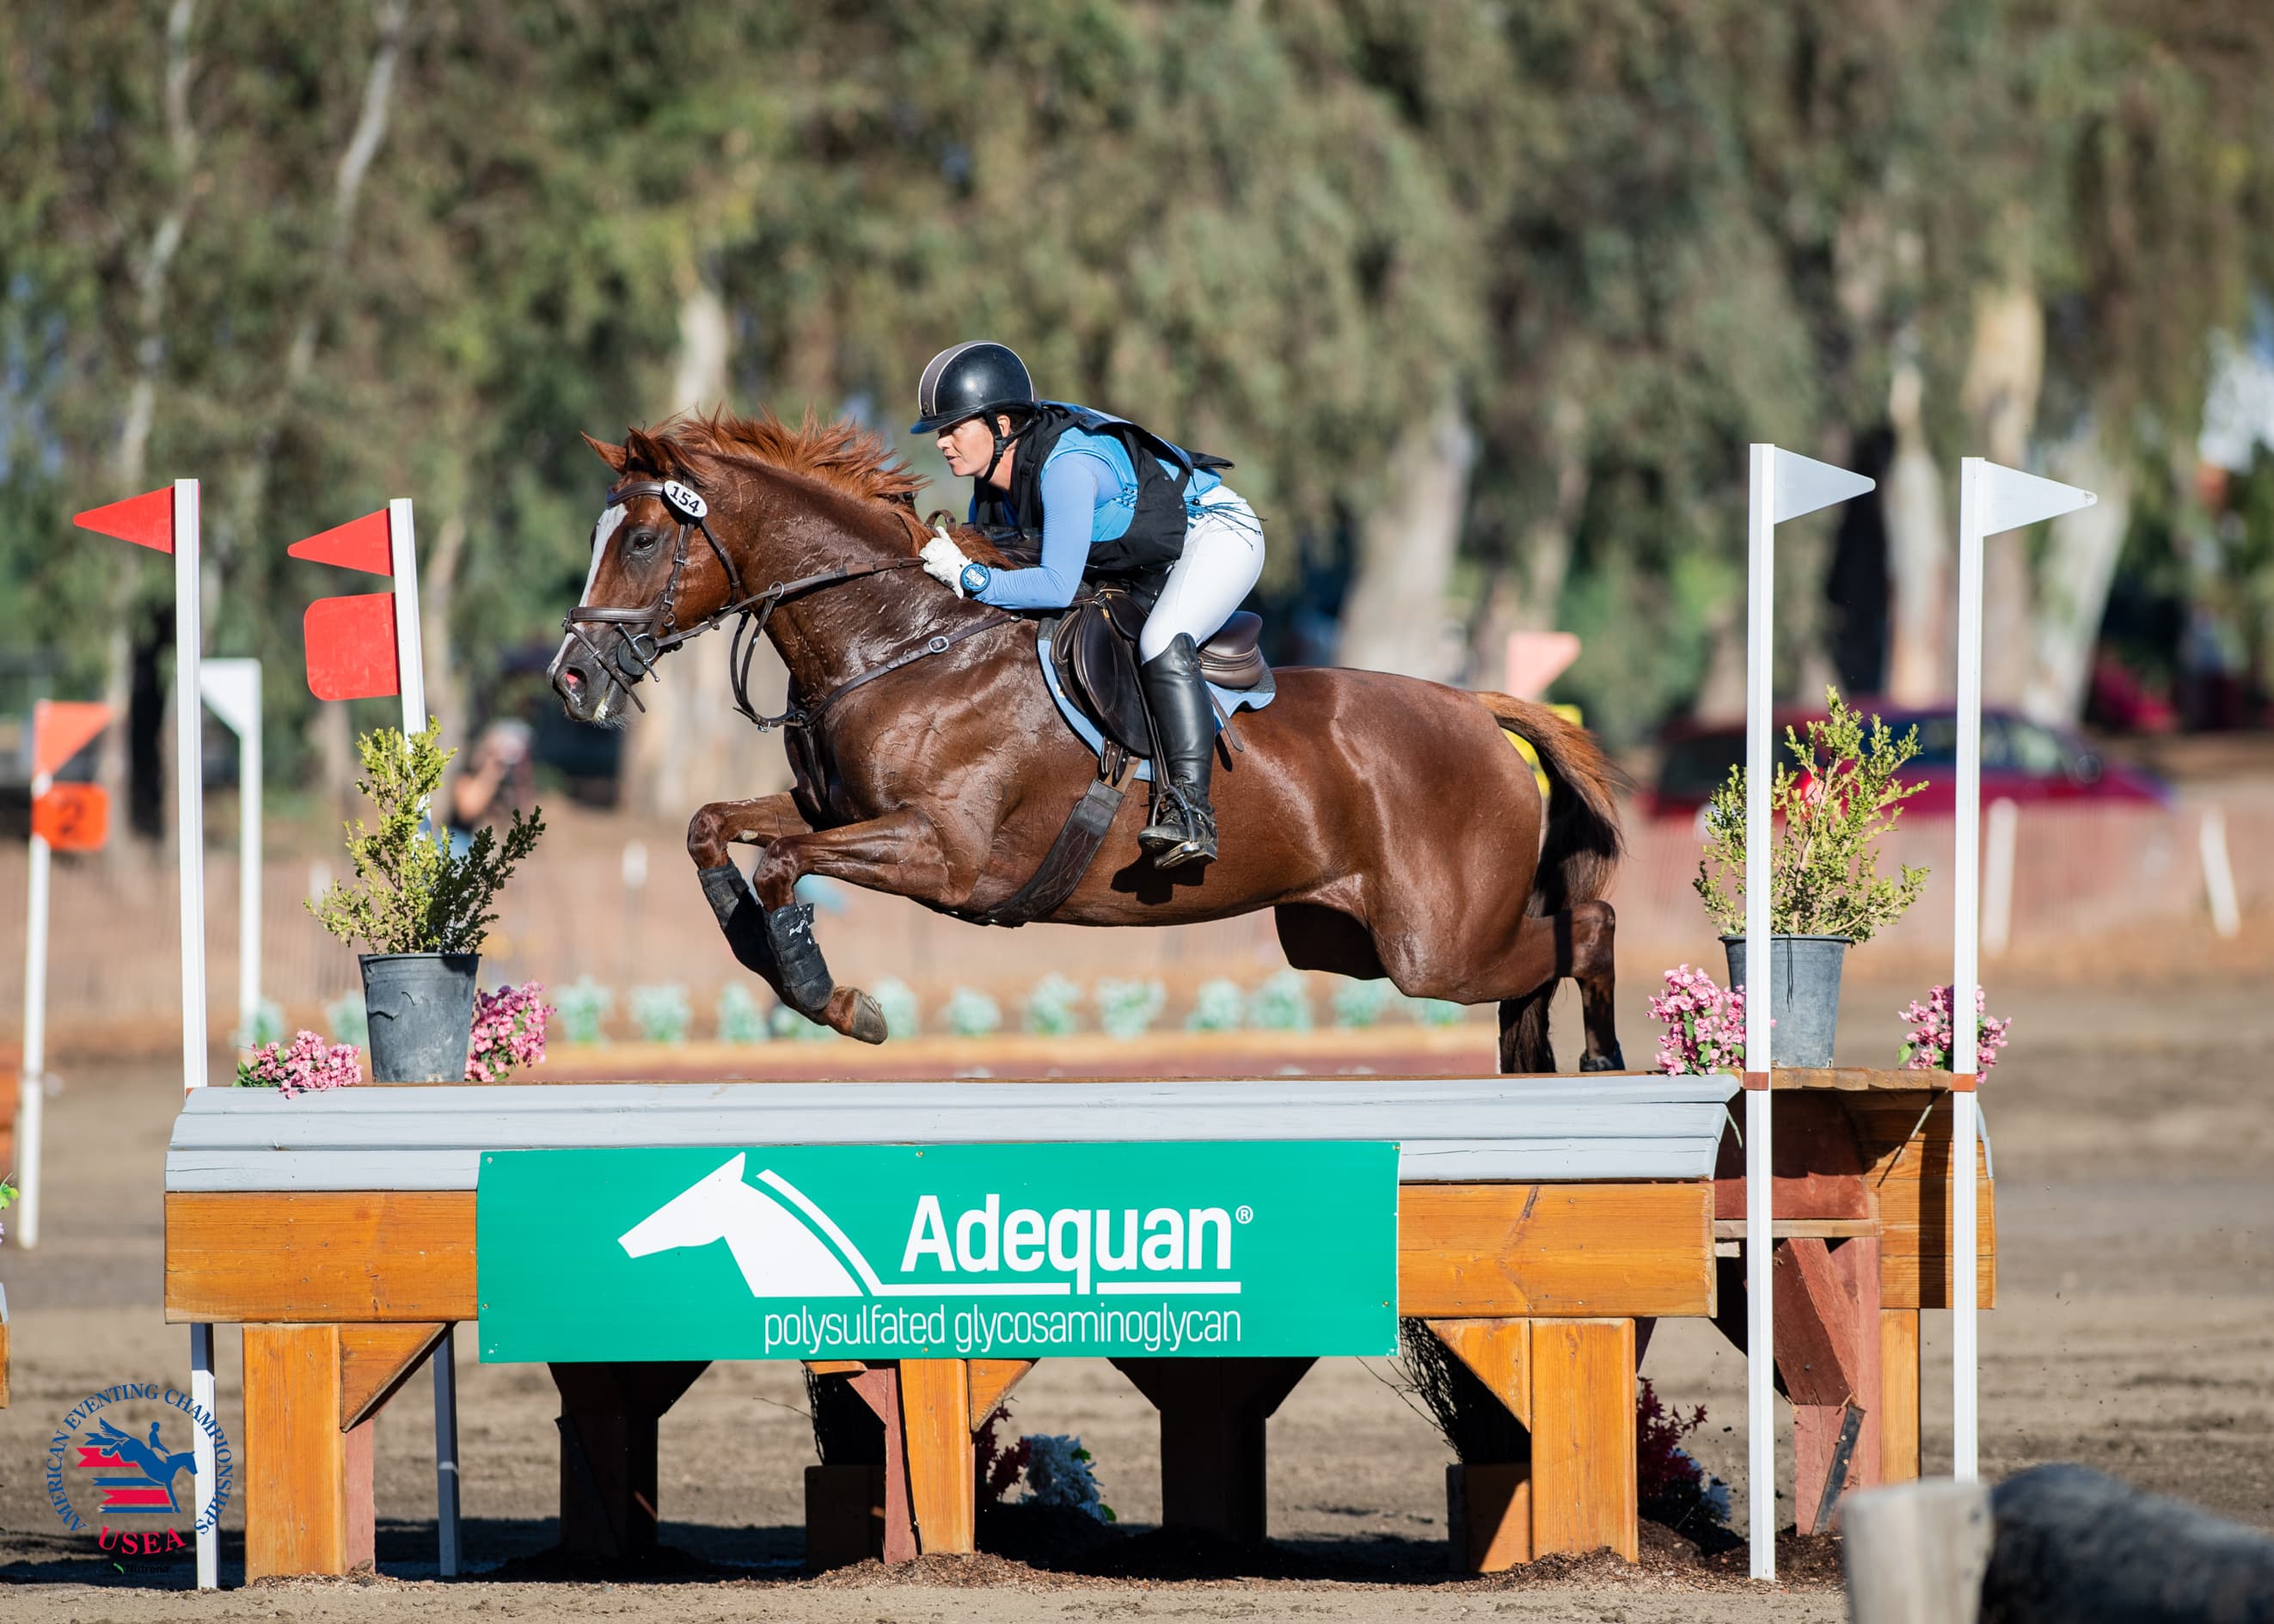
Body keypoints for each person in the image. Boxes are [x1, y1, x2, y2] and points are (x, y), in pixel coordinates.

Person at [913, 340, 1263, 868]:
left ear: (1002, 425)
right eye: (939, 431)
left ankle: (1190, 810)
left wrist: (972, 575)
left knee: (1160, 639)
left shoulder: (1066, 468)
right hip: (1147, 560)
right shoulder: (992, 485)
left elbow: (1053, 585)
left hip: (1215, 533)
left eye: (953, 428)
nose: (942, 442)